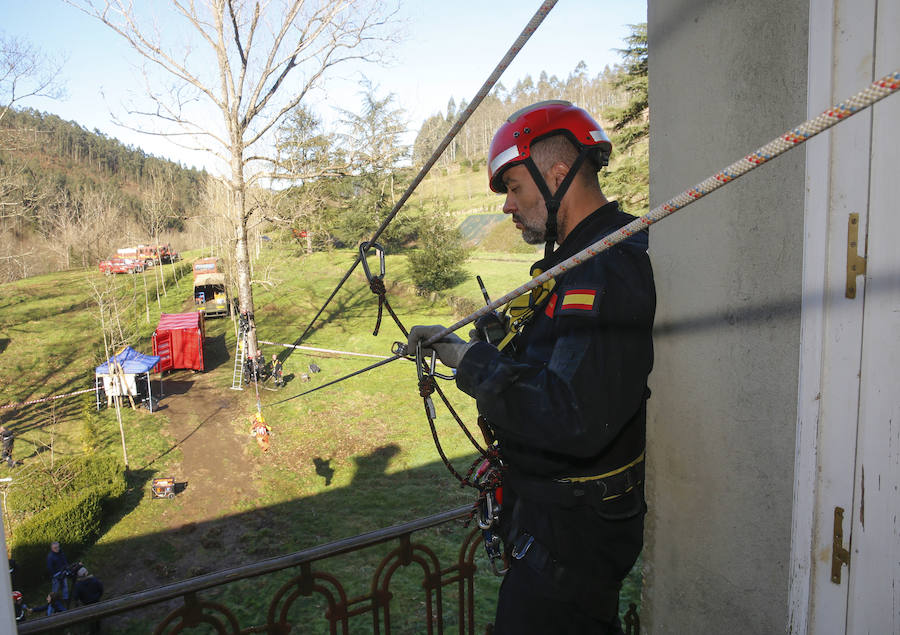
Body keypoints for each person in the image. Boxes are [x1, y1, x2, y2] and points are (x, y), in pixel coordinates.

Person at [408, 101, 655, 634]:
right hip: (557, 526)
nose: (508, 206)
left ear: (558, 175)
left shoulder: (606, 263)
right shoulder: (579, 258)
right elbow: (566, 363)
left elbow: (571, 412)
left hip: (572, 540)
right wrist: (501, 345)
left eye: (515, 188)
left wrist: (469, 360)